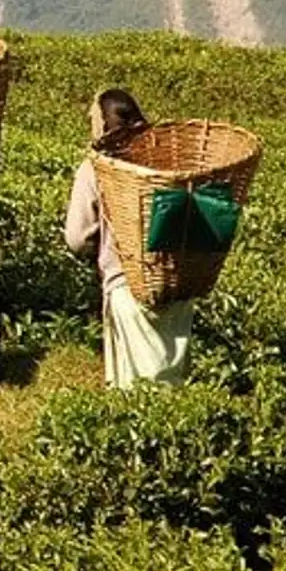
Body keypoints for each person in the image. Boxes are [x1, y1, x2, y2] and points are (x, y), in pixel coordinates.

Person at [66, 88, 194, 389]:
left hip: (127, 285)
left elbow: (77, 237)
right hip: (178, 286)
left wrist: (99, 248)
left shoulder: (97, 169)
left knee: (133, 388)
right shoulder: (170, 162)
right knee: (172, 383)